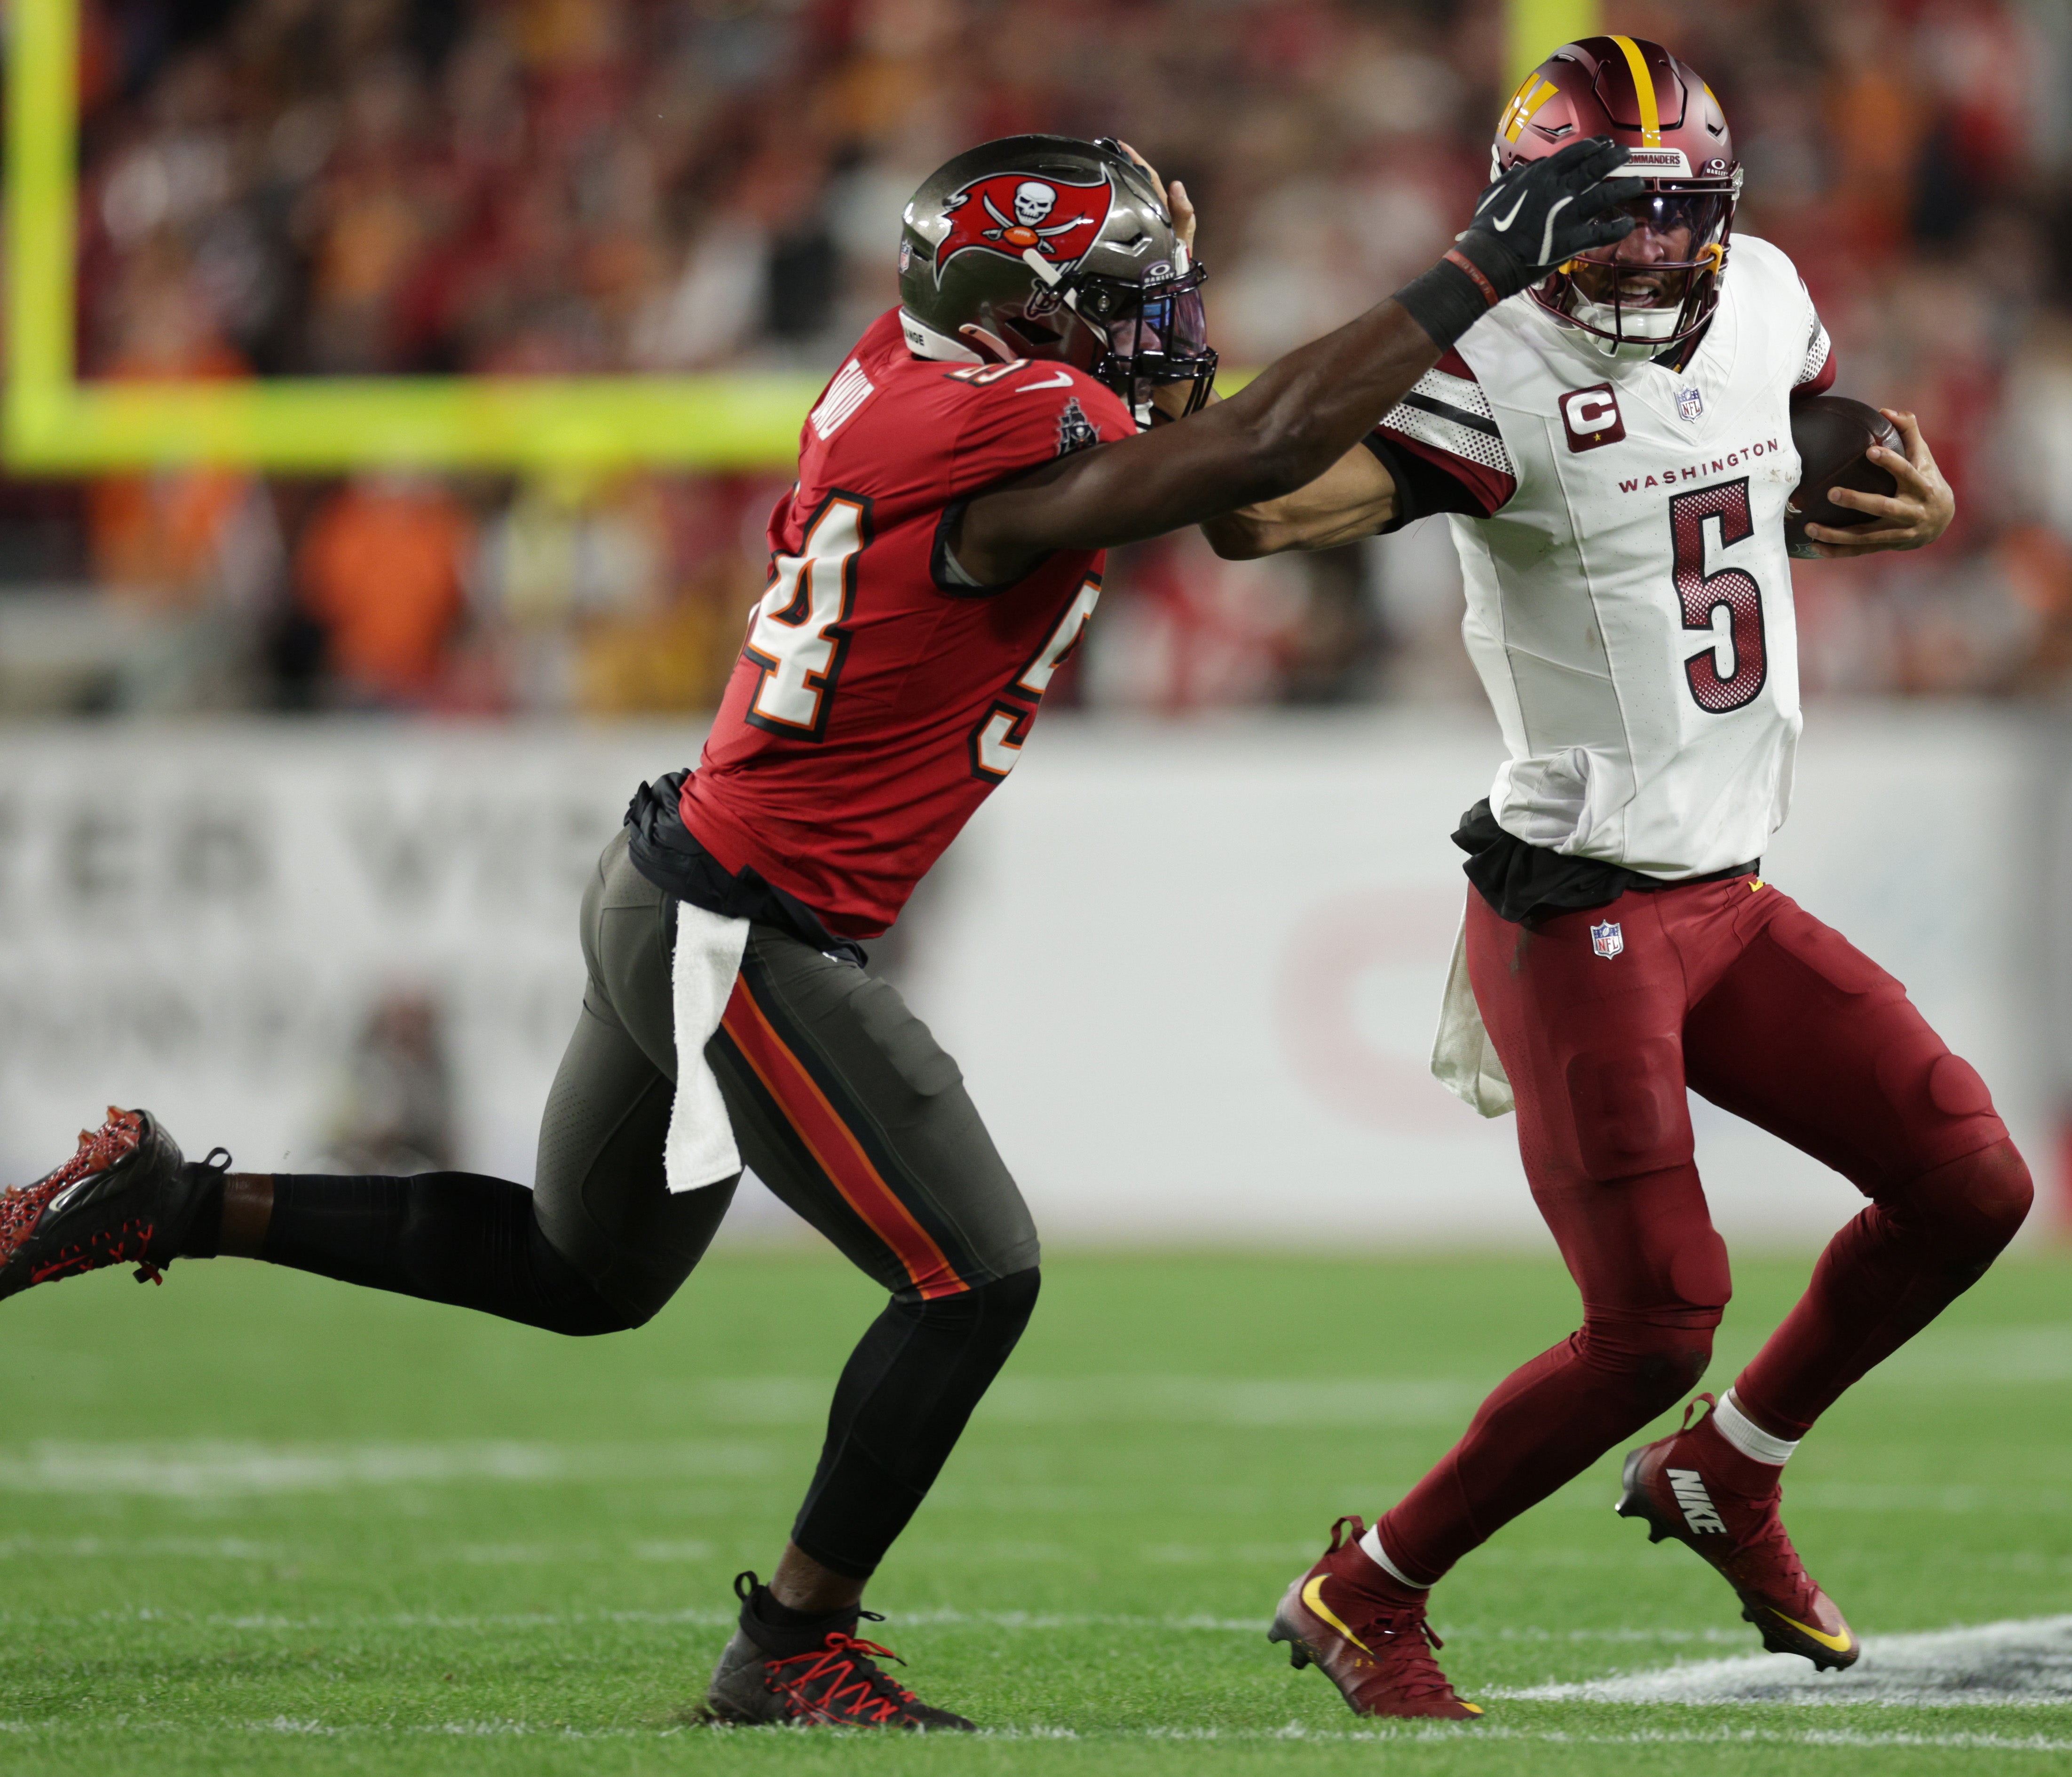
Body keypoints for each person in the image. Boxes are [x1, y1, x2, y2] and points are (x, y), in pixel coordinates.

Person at [0, 132, 1642, 1730]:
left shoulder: (923, 370)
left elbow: (1237, 454)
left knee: (585, 1275)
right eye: (1125, 293)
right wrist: (1487, 263)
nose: (1161, 324)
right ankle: (792, 1638)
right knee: (975, 1274)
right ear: (1021, 307)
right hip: (741, 926)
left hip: (678, 879)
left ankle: (175, 1198)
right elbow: (1263, 447)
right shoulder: (1013, 422)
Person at [1206, 39, 2032, 1720]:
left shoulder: (1770, 300)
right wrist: (1391, 338)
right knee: (1655, 1323)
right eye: (1616, 215)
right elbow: (1266, 514)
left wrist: (1903, 499)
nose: (1658, 250)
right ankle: (1366, 1591)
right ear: (1530, 209)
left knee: (1970, 1184)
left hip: (1726, 892)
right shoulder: (1491, 359)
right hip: (1574, 898)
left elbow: (1744, 462)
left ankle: (1730, 1470)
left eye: (1683, 215)